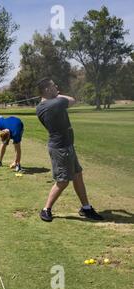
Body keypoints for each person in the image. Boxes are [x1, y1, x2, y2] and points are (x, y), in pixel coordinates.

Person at [35, 78, 103, 222]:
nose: (57, 87)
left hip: (66, 145)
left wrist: (54, 93)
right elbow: (72, 100)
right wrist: (58, 94)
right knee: (63, 181)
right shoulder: (54, 103)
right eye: (54, 86)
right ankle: (46, 209)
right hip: (60, 148)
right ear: (47, 90)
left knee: (77, 175)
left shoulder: (42, 106)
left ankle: (86, 208)